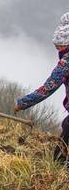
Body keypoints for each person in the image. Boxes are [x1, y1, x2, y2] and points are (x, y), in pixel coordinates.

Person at [15, 12, 69, 166]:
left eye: (60, 46)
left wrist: (23, 103)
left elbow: (48, 88)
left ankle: (60, 166)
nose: (57, 49)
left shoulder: (66, 63)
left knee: (66, 133)